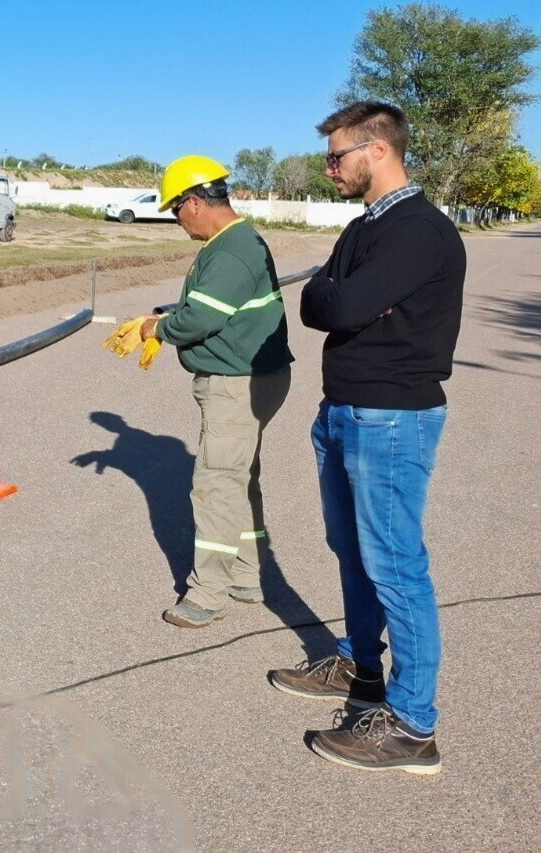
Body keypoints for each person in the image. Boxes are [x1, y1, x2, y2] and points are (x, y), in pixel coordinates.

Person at [269, 101, 465, 774]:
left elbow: (338, 304)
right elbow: (316, 300)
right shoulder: (365, 230)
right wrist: (333, 294)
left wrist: (336, 296)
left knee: (396, 565)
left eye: (337, 155)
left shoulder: (420, 232)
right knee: (351, 550)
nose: (329, 168)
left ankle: (414, 727)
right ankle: (361, 670)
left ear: (377, 150)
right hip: (343, 411)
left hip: (389, 416)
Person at [125, 155, 295, 628]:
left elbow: (200, 318)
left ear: (195, 203)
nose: (176, 222)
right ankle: (247, 573)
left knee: (217, 483)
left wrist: (156, 327)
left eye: (175, 211)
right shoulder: (235, 240)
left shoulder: (230, 250)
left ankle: (208, 594)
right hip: (253, 377)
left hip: (236, 383)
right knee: (239, 474)